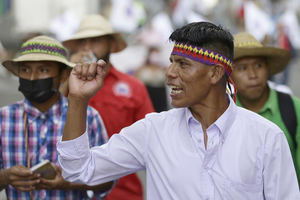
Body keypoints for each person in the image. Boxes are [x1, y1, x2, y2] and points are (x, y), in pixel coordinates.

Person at [57, 22, 300, 199]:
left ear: (215, 73)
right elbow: (79, 170)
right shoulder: (153, 130)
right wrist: (77, 100)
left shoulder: (266, 137)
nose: (169, 73)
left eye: (183, 64)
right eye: (171, 62)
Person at [0, 35, 113, 199]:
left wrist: (67, 183)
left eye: (43, 70)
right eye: (25, 70)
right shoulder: (4, 119)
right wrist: (6, 176)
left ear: (63, 76)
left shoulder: (89, 117)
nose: (32, 78)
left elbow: (107, 179)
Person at [62, 14, 154, 200]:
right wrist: (67, 76)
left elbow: (151, 141)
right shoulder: (65, 83)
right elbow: (51, 114)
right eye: (82, 42)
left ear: (111, 45)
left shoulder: (134, 87)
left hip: (122, 193)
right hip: (70, 191)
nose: (87, 47)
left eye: (95, 40)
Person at [231, 32, 300, 182]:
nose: (253, 74)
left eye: (258, 65)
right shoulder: (225, 115)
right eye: (242, 68)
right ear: (230, 76)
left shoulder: (294, 109)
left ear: (267, 69)